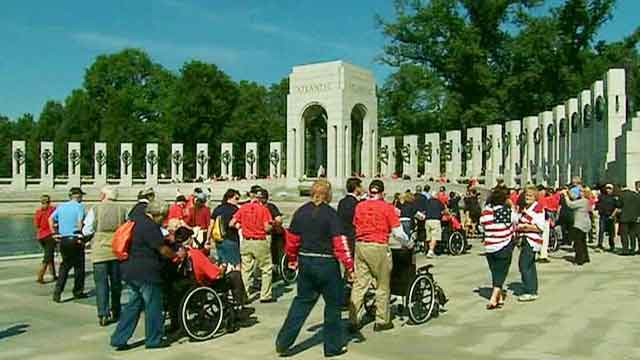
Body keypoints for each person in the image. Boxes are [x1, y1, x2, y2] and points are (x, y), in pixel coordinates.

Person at [275, 180, 354, 357]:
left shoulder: (301, 212)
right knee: (333, 306)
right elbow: (340, 243)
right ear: (328, 194)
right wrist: (349, 266)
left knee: (301, 302)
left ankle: (283, 342)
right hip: (327, 264)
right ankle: (332, 347)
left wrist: (292, 259)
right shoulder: (331, 215)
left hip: (306, 262)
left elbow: (292, 241)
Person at [110, 201, 186, 350]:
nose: (163, 221)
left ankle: (119, 338)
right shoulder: (150, 226)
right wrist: (176, 255)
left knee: (133, 306)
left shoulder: (136, 220)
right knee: (153, 306)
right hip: (147, 272)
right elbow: (162, 250)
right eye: (163, 217)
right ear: (157, 214)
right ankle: (154, 339)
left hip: (130, 269)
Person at [350, 179, 410, 332]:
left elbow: (355, 224)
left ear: (370, 191)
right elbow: (398, 232)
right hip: (378, 246)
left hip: (360, 245)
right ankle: (382, 320)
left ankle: (353, 319)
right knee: (382, 284)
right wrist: (408, 244)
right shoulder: (387, 207)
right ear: (382, 193)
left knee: (359, 284)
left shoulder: (359, 206)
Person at [82, 187, 129, 326]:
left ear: (103, 195)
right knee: (116, 283)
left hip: (100, 250)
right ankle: (116, 310)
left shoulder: (95, 209)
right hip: (116, 249)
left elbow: (87, 230)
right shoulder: (123, 209)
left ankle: (103, 313)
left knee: (101, 283)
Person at [231, 189, 274, 303]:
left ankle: (245, 295)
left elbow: (232, 223)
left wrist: (241, 226)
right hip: (260, 241)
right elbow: (266, 228)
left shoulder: (243, 208)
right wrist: (272, 225)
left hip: (246, 241)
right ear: (259, 199)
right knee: (266, 268)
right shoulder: (264, 209)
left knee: (246, 270)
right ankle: (265, 295)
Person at [480, 186, 516, 309]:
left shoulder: (486, 212)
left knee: (495, 271)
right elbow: (516, 220)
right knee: (501, 272)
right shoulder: (507, 211)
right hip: (504, 244)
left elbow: (482, 226)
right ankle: (493, 298)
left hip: (490, 246)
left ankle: (499, 297)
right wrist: (512, 206)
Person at [50, 187, 87, 303]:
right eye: (81, 196)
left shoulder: (61, 206)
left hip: (63, 239)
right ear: (78, 196)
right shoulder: (79, 206)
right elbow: (80, 221)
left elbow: (50, 219)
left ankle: (57, 292)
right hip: (75, 239)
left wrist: (54, 233)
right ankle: (77, 291)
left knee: (64, 266)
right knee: (79, 267)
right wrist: (80, 234)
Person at [516, 186, 545, 302]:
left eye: (530, 196)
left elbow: (539, 227)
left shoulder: (537, 208)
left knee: (524, 264)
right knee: (530, 265)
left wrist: (525, 227)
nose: (527, 197)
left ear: (535, 197)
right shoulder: (525, 208)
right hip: (525, 239)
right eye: (526, 195)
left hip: (532, 239)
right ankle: (531, 288)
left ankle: (530, 290)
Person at [211, 189, 242, 268]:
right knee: (235, 264)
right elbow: (235, 225)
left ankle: (223, 279)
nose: (238, 201)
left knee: (223, 263)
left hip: (218, 239)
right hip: (231, 239)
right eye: (236, 198)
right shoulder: (235, 209)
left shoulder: (218, 208)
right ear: (230, 198)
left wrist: (208, 239)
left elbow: (211, 225)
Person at [562, 186, 592, 265]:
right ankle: (585, 257)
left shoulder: (583, 201)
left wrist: (565, 196)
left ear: (584, 193)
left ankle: (579, 259)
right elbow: (573, 197)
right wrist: (568, 192)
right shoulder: (586, 201)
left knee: (578, 242)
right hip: (584, 223)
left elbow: (570, 205)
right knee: (583, 242)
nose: (579, 192)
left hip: (579, 224)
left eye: (581, 191)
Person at [337, 178, 364, 257]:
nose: (362, 189)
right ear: (356, 188)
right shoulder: (357, 203)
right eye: (360, 187)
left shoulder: (342, 202)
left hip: (343, 235)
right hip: (353, 236)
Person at [34, 194, 57, 284]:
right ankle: (40, 276)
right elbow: (56, 221)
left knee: (49, 255)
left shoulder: (38, 212)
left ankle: (53, 274)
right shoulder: (52, 210)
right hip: (50, 235)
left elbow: (36, 225)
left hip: (41, 236)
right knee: (47, 257)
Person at [596, 184, 620, 252]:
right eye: (607, 188)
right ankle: (600, 245)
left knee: (611, 232)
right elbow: (598, 204)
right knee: (601, 231)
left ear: (612, 189)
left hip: (610, 216)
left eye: (609, 188)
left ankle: (612, 245)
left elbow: (617, 207)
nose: (608, 190)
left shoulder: (614, 197)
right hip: (603, 216)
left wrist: (613, 215)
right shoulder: (602, 196)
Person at [617, 183, 640, 255]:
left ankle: (625, 250)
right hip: (634, 218)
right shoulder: (637, 195)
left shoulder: (621, 195)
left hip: (624, 217)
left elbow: (618, 205)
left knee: (624, 235)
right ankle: (633, 249)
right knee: (632, 234)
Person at [424, 189, 445, 258]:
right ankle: (431, 251)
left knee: (429, 237)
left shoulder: (427, 202)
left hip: (427, 220)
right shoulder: (439, 202)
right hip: (435, 220)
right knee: (434, 236)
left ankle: (429, 249)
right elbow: (444, 210)